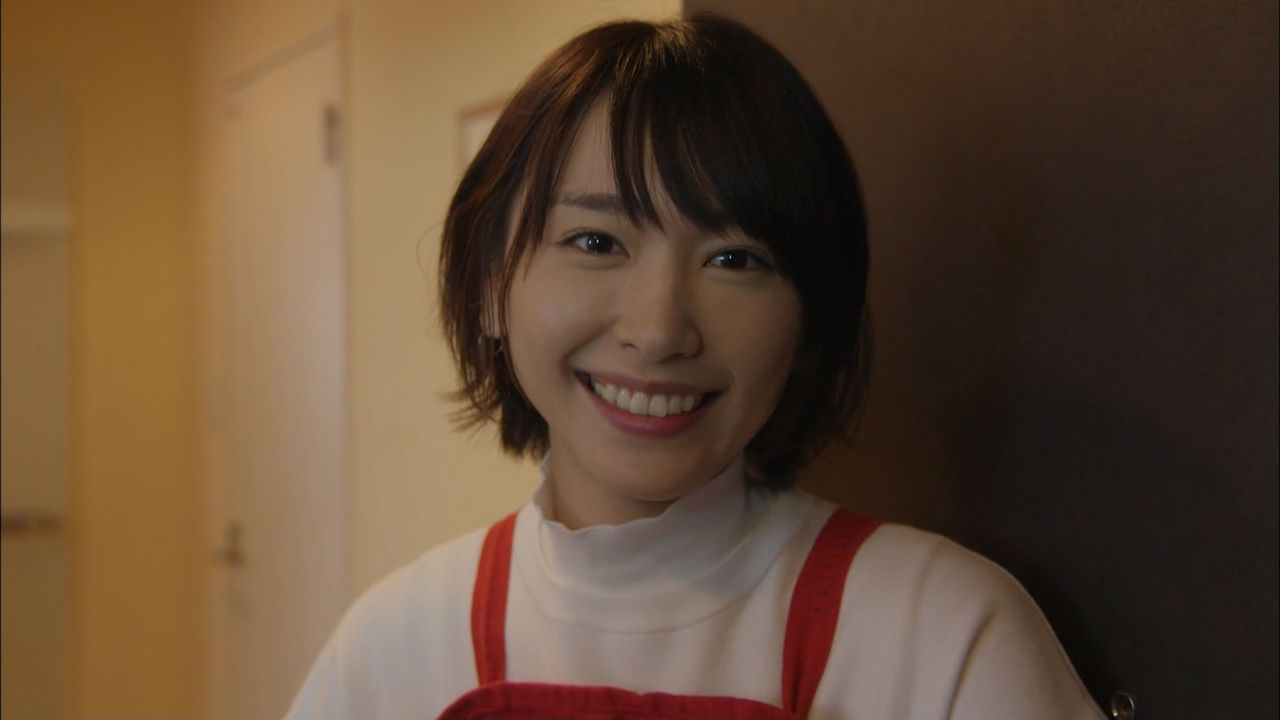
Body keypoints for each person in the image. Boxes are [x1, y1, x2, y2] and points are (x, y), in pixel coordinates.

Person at [286, 14, 1103, 719]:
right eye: (596, 241)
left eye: (735, 259)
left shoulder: (949, 632)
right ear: (489, 289)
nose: (657, 332)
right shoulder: (391, 649)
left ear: (810, 319)